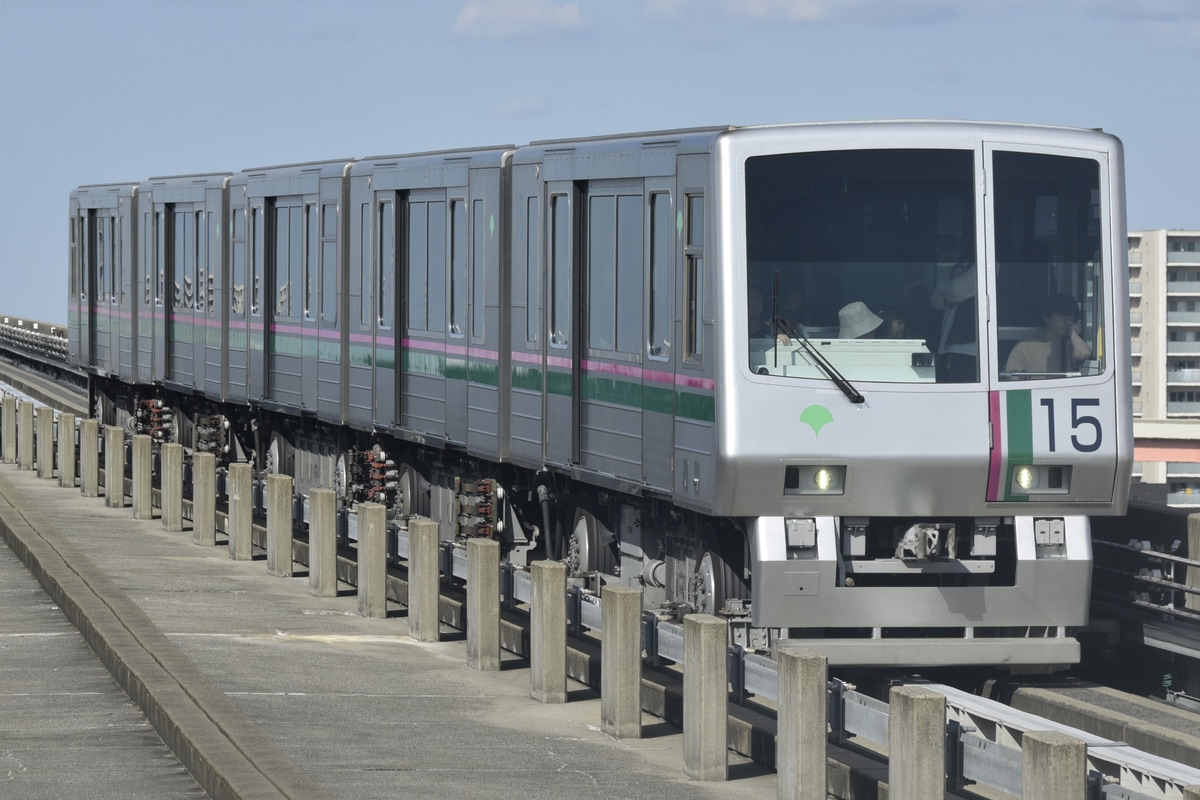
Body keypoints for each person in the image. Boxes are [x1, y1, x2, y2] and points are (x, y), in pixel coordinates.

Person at [1005, 293, 1092, 374]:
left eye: (1070, 318)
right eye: (1062, 317)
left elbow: (1083, 353)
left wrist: (1072, 333)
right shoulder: (1025, 346)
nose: (1067, 322)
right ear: (1046, 317)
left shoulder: (1070, 346)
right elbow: (1013, 380)